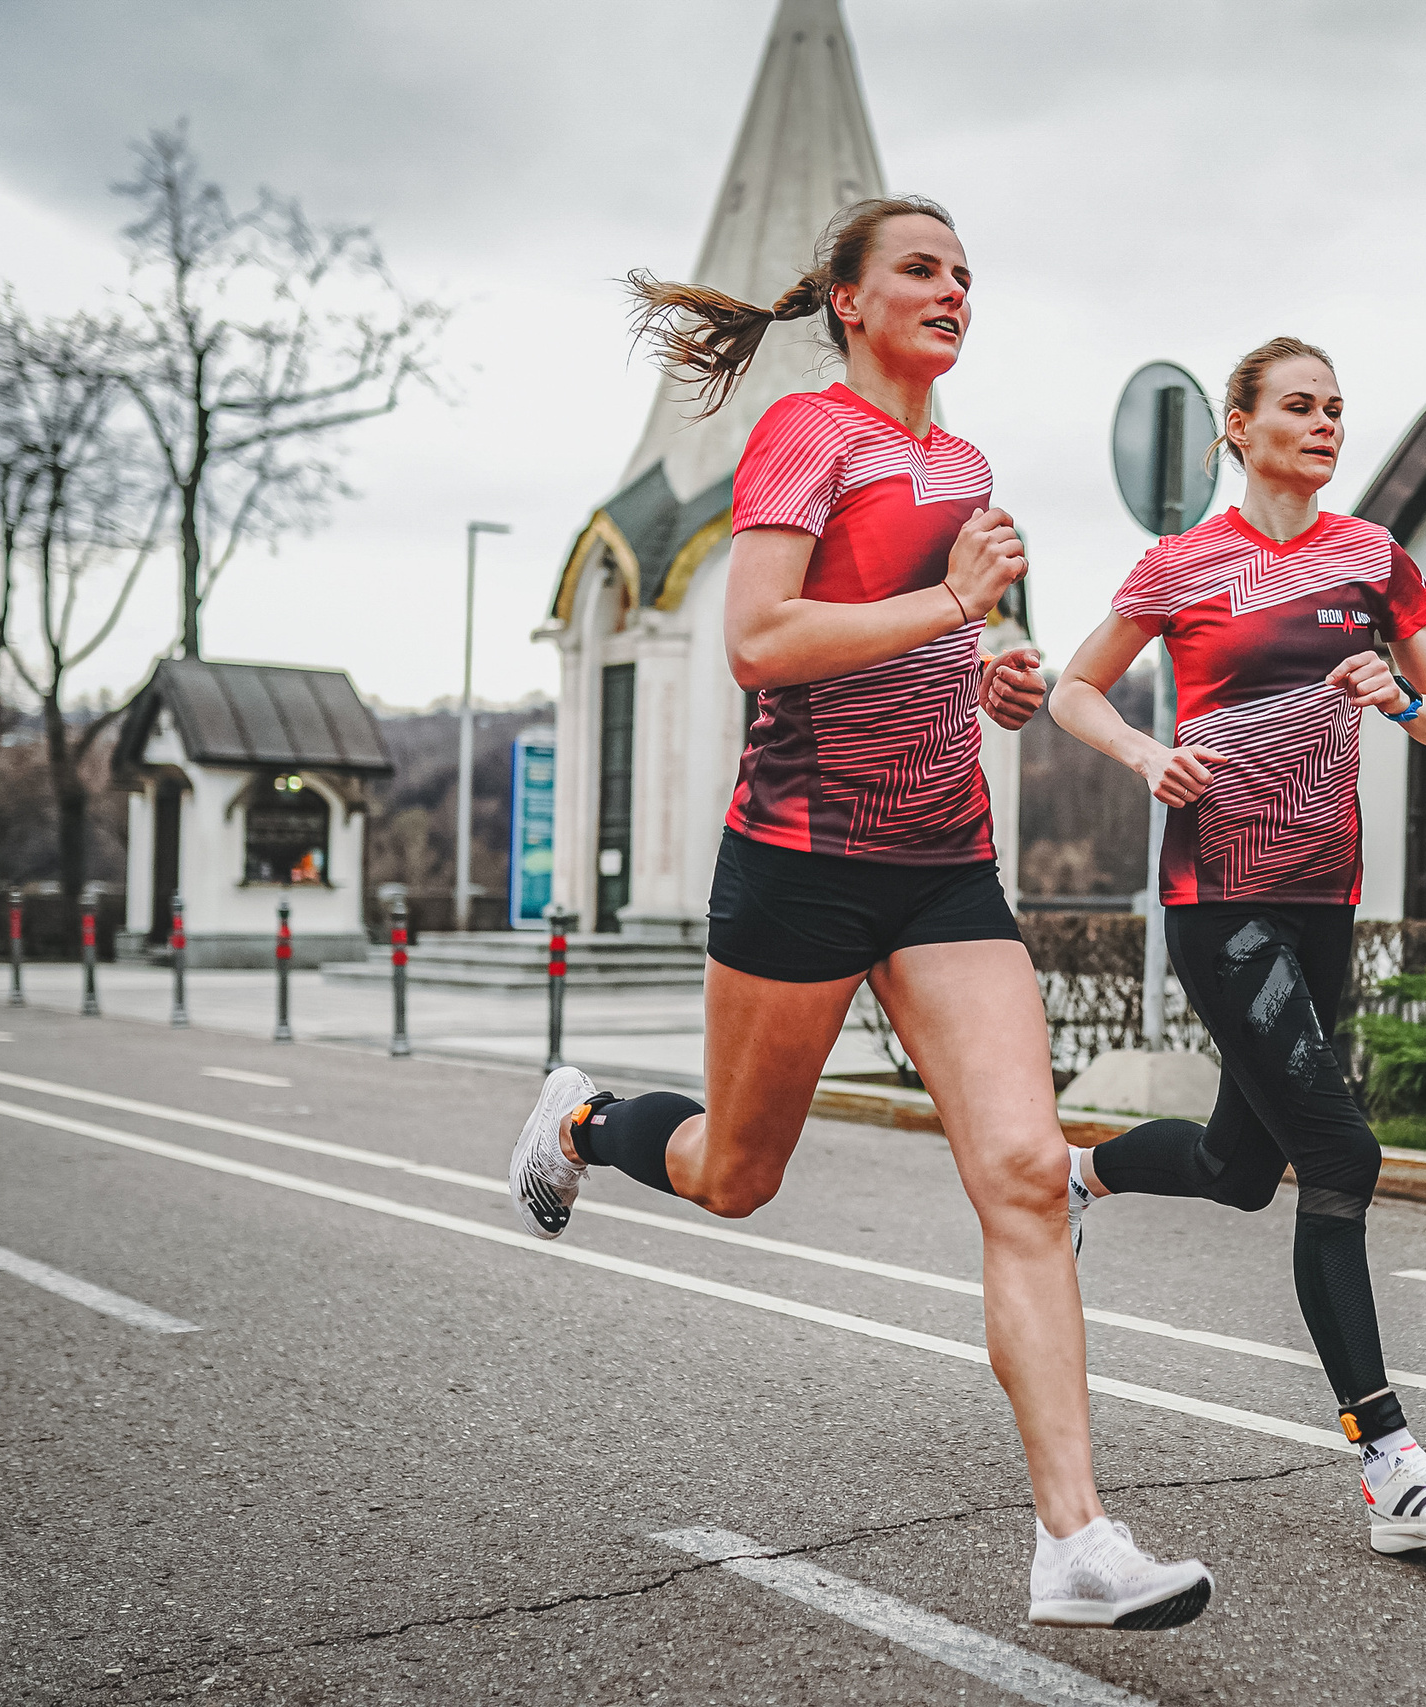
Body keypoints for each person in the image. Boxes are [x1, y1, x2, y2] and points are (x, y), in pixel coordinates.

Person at [506, 197, 1212, 1630]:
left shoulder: (964, 459)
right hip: (801, 854)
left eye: (966, 272)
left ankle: (1074, 1538)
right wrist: (950, 605)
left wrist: (995, 671)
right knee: (736, 1172)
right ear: (847, 298)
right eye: (921, 268)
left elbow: (961, 639)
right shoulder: (806, 436)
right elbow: (763, 640)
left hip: (943, 859)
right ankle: (581, 1120)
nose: (954, 288)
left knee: (1025, 1172)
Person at [1049, 337, 1426, 1556]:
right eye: (1299, 407)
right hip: (1218, 901)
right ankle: (1391, 1467)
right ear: (1238, 429)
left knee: (1240, 1166)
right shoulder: (1181, 564)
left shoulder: (1374, 560)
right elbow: (1073, 690)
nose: (1324, 425)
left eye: (1336, 409)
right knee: (1340, 1157)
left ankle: (1077, 1175)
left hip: (1322, 903)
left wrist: (1400, 701)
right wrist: (1150, 756)